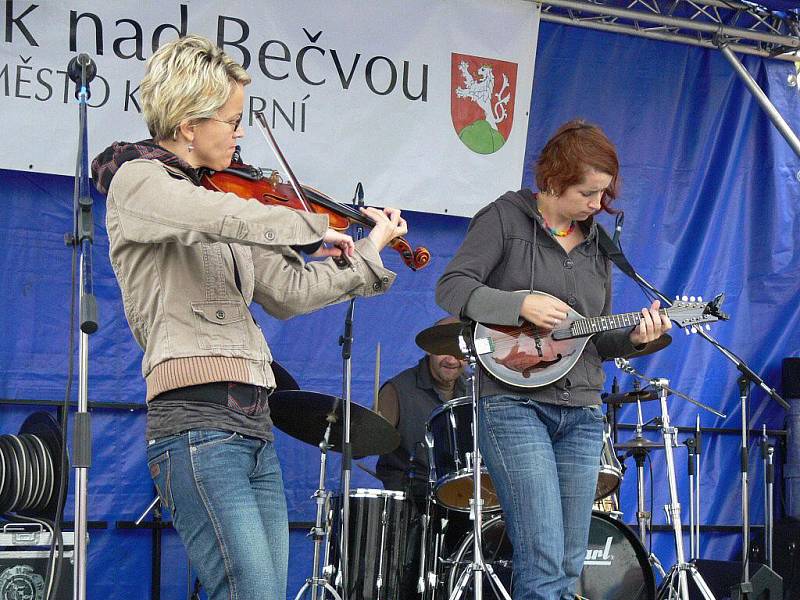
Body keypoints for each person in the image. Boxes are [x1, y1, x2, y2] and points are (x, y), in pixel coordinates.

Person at [91, 35, 407, 600]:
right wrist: (310, 227)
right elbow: (223, 217)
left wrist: (368, 252)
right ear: (189, 124)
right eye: (233, 120)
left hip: (253, 422)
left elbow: (287, 290)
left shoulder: (225, 200)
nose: (240, 133)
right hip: (197, 421)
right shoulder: (140, 182)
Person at [435, 119, 671, 599]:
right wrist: (518, 304)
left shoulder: (599, 246)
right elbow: (451, 288)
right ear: (553, 181)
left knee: (567, 562)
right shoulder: (503, 218)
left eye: (604, 194)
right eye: (587, 193)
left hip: (582, 409)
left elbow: (594, 337)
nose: (597, 205)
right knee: (542, 557)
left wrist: (640, 339)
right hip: (514, 404)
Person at [374, 316, 468, 497]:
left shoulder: (476, 388)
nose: (451, 359)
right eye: (444, 350)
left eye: (458, 352)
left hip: (464, 498)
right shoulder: (397, 390)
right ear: (428, 349)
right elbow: (366, 442)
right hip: (410, 503)